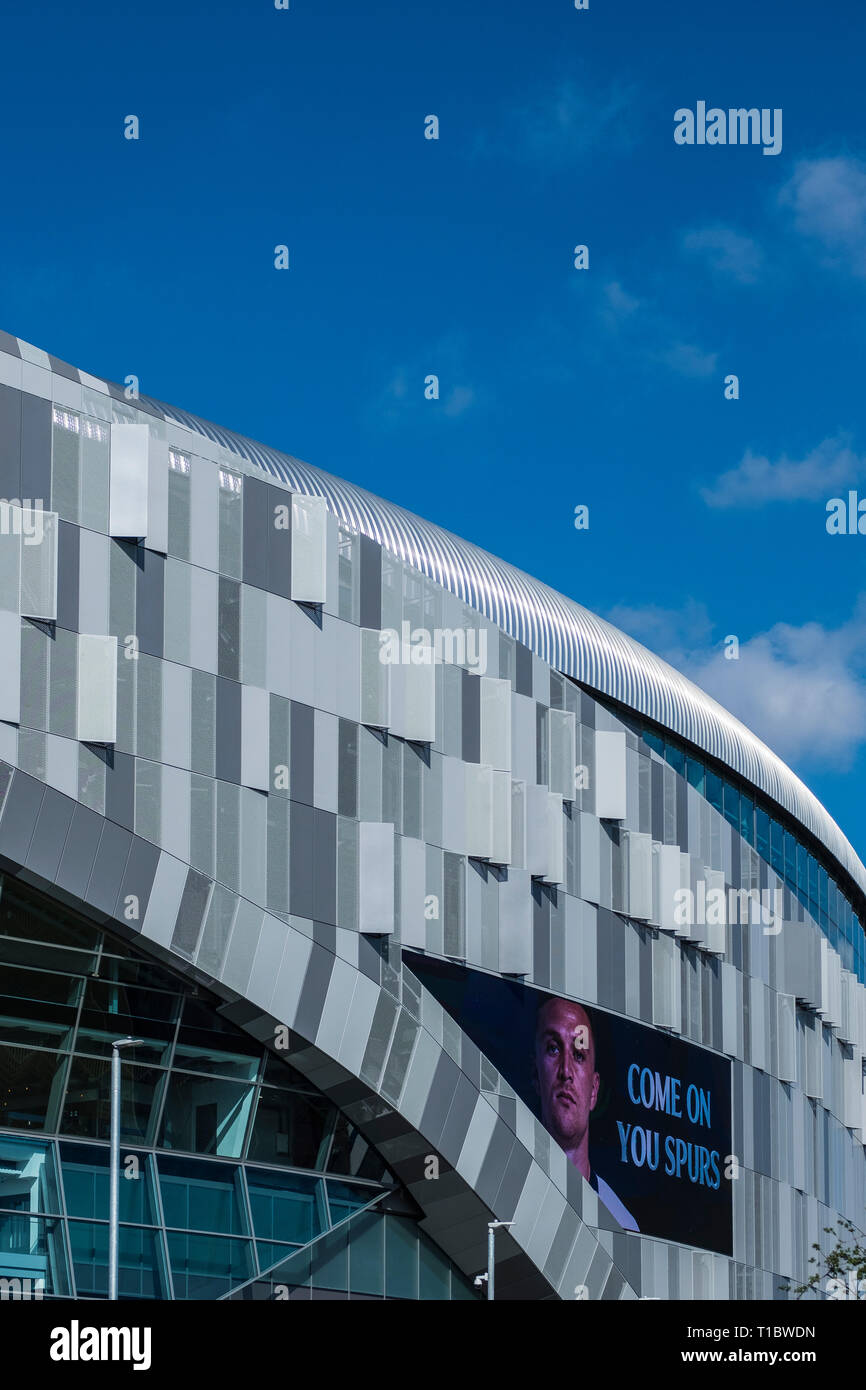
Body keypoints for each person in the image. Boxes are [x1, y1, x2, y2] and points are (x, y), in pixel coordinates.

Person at [533, 995, 639, 1233]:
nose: (566, 1071)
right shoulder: (505, 1193)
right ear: (535, 1074)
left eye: (579, 1055)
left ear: (593, 1090)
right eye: (553, 1049)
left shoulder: (623, 1225)